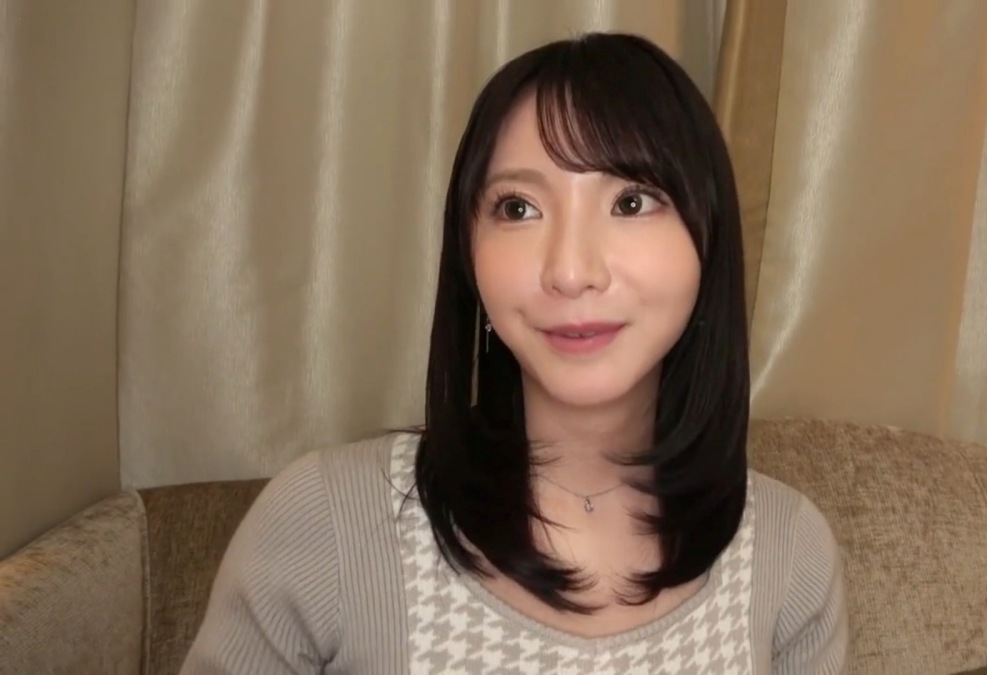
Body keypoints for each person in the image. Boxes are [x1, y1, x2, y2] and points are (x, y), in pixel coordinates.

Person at [182, 31, 848, 673]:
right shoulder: (325, 519)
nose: (571, 271)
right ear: (469, 252)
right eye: (519, 208)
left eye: (631, 201)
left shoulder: (790, 551)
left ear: (707, 239)